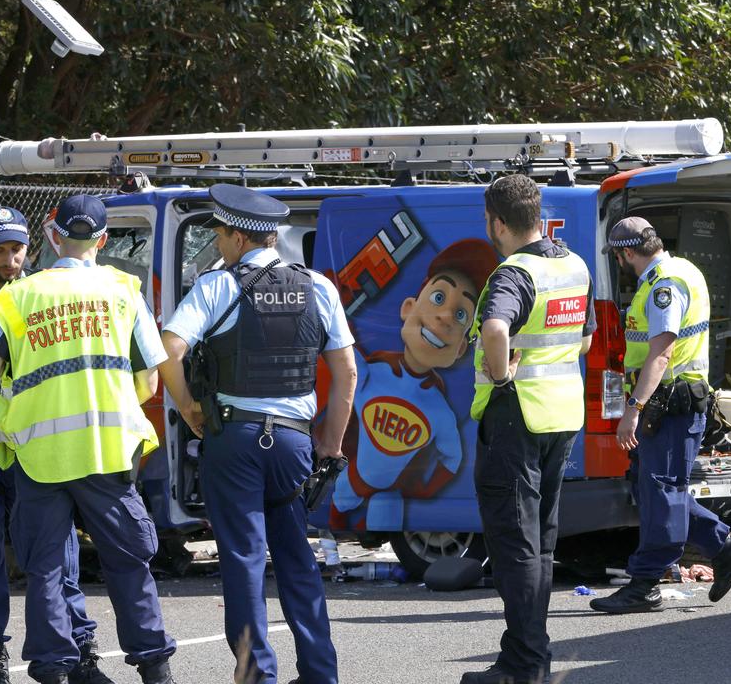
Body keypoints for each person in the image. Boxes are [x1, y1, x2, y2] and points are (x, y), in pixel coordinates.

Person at [0, 196, 175, 684]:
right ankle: (154, 667)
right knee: (128, 562)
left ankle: (53, 668)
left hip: (40, 455)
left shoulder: (18, 297)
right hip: (107, 452)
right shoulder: (125, 290)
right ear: (102, 241)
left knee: (43, 568)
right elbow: (150, 382)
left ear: (52, 234)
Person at [159, 183, 356, 684]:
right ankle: (319, 673)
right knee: (297, 559)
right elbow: (347, 372)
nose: (218, 246)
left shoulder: (216, 286)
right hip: (293, 441)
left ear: (236, 236)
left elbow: (170, 347)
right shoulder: (319, 287)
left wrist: (187, 408)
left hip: (234, 440)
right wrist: (330, 444)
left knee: (244, 561)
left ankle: (255, 676)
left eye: (219, 235)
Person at [0, 207, 106, 684]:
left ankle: (82, 653)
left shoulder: (46, 290)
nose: (10, 260)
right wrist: (8, 365)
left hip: (36, 438)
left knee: (57, 554)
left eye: (17, 249)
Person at [461, 174, 594, 684]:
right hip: (561, 415)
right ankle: (528, 656)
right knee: (539, 545)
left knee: (515, 545)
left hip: (516, 417)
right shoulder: (574, 265)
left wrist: (501, 376)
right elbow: (584, 340)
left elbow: (495, 328)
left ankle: (523, 663)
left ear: (496, 222)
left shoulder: (513, 273)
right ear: (538, 215)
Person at [590, 216, 731, 615]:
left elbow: (662, 352)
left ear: (626, 252)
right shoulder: (679, 270)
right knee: (653, 489)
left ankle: (645, 584)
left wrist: (633, 408)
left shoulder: (665, 285)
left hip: (669, 402)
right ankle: (725, 545)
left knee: (661, 490)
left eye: (620, 256)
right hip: (669, 403)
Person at [330, 238, 497, 532]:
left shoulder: (438, 411)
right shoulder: (371, 373)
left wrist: (426, 490)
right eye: (438, 298)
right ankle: (333, 545)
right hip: (353, 476)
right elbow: (340, 349)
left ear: (460, 349)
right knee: (339, 506)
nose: (446, 316)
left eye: (461, 315)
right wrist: (332, 304)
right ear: (408, 307)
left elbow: (452, 457)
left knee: (384, 516)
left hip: (392, 491)